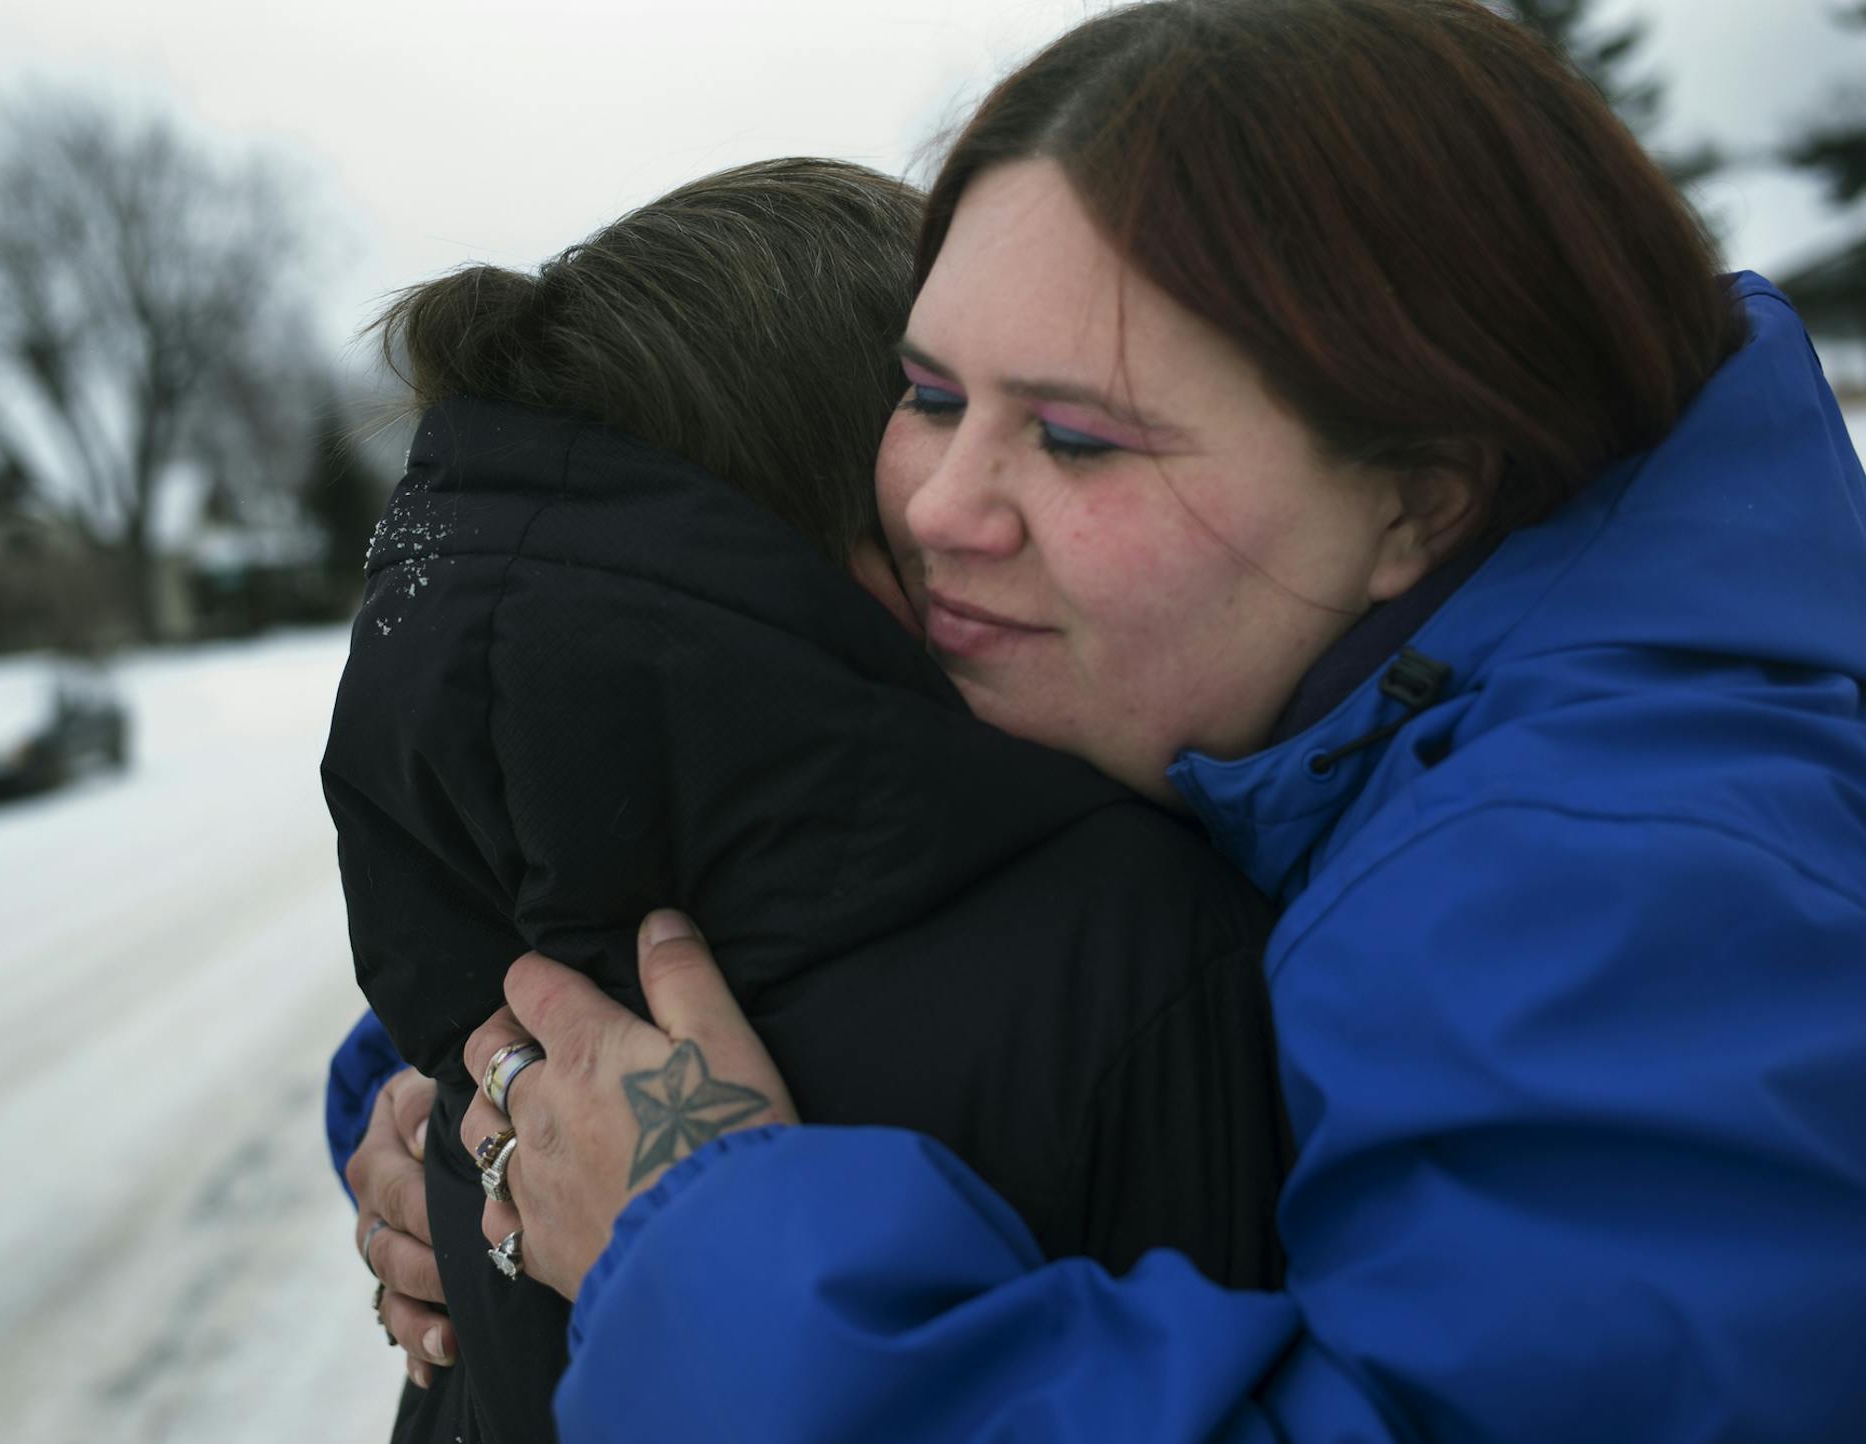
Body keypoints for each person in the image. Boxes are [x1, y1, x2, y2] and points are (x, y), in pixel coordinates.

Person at [451, 2, 1866, 1440]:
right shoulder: (1306, 697)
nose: (942, 507)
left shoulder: (1622, 893)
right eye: (929, 394)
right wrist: (488, 1104)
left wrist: (700, 1261)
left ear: (1421, 497)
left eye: (1077, 438)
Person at [322, 157, 1294, 1444]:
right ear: (835, 536)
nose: (994, 507)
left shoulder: (505, 972)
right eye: (938, 412)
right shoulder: (1144, 948)